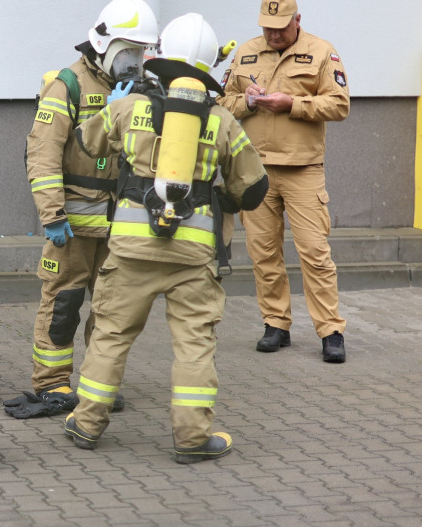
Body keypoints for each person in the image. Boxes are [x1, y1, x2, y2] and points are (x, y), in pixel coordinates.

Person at [64, 14, 270, 463]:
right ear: (208, 67)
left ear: (159, 57)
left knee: (111, 335)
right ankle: (192, 439)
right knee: (194, 345)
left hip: (131, 251)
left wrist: (118, 114)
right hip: (193, 256)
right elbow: (254, 190)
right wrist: (218, 193)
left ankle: (86, 424)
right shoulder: (222, 120)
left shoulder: (129, 107)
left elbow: (85, 143)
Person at [6, 0, 158, 419]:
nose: (136, 61)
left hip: (120, 225)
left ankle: (97, 385)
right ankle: (52, 384)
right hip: (71, 227)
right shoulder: (67, 85)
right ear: (105, 44)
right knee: (63, 307)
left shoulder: (141, 88)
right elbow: (43, 154)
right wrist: (52, 215)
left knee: (113, 311)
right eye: (129, 50)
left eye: (141, 51)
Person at [218, 0, 350, 363]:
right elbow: (221, 101)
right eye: (267, 28)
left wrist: (292, 104)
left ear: (297, 20)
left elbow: (339, 104)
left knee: (315, 253)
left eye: (280, 28)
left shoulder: (321, 52)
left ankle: (331, 331)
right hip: (255, 170)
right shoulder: (245, 52)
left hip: (302, 169)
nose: (273, 35)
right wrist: (246, 102)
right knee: (263, 253)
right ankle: (275, 324)